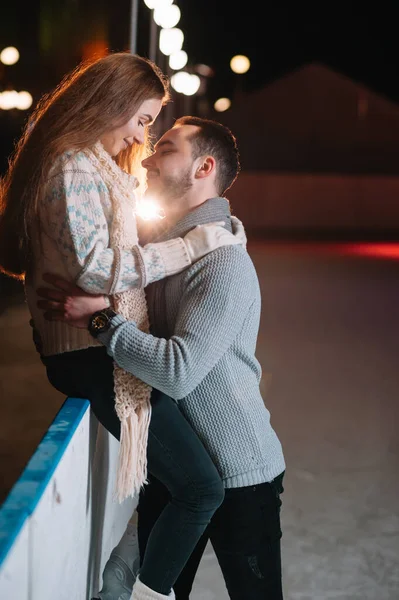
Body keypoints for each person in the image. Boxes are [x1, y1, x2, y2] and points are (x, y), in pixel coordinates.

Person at [0, 54, 245, 600]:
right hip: (88, 354)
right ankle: (134, 592)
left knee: (187, 474)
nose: (144, 135)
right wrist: (191, 247)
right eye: (142, 119)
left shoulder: (98, 165)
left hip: (103, 345)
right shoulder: (71, 166)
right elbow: (96, 267)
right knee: (202, 486)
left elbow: (114, 254)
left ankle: (123, 579)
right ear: (109, 105)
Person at [36, 117, 286, 600]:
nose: (148, 157)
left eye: (166, 148)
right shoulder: (168, 249)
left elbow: (178, 371)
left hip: (241, 475)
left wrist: (100, 323)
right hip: (181, 475)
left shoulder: (223, 262)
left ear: (203, 167)